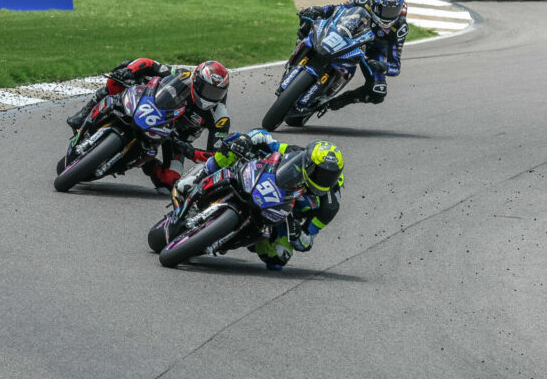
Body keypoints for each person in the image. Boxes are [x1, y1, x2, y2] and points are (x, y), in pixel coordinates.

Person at [175, 130, 345, 270]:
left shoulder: (329, 206)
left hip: (282, 216)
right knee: (233, 148)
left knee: (279, 257)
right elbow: (264, 137)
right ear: (310, 163)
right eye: (321, 173)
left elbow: (307, 242)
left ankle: (232, 237)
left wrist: (297, 233)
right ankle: (200, 176)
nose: (324, 179)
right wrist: (246, 139)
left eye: (330, 177)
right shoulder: (298, 154)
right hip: (262, 181)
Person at [66, 58, 232, 192]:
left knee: (168, 182)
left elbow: (216, 156)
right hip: (153, 110)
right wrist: (129, 71)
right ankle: (82, 116)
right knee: (118, 79)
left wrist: (192, 152)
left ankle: (147, 163)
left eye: (216, 93)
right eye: (207, 90)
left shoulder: (220, 118)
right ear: (197, 81)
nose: (210, 97)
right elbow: (150, 63)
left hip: (176, 139)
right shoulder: (182, 76)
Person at [296, 0, 408, 112]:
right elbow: (337, 8)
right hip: (351, 33)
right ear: (375, 4)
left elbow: (395, 67)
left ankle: (339, 100)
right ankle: (298, 49)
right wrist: (320, 10)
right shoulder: (364, 1)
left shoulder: (400, 27)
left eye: (393, 10)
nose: (389, 15)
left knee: (378, 91)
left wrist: (381, 67)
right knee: (308, 19)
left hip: (374, 50)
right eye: (385, 9)